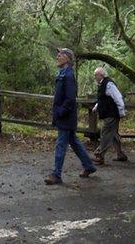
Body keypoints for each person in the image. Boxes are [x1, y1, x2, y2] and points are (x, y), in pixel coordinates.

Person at [45, 48, 96, 185]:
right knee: (74, 142)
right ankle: (89, 166)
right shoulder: (62, 73)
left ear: (67, 58)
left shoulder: (68, 76)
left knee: (61, 144)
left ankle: (56, 174)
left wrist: (60, 112)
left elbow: (70, 99)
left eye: (60, 54)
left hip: (66, 116)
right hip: (65, 115)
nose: (57, 56)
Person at [91, 67, 128, 164]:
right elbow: (103, 99)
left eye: (96, 75)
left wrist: (121, 111)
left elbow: (118, 98)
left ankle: (100, 156)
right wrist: (96, 107)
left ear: (101, 75)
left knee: (105, 133)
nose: (95, 77)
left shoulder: (109, 84)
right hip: (108, 113)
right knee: (113, 134)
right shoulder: (102, 84)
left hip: (111, 114)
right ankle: (120, 155)